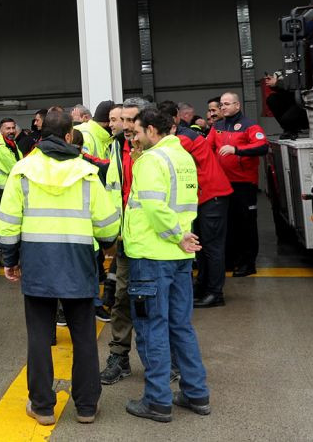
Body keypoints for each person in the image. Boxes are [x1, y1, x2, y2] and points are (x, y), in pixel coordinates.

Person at [0, 108, 121, 426]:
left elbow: (7, 223)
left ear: (41, 134)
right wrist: (106, 244)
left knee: (39, 336)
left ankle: (42, 407)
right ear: (69, 135)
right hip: (78, 263)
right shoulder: (87, 172)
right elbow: (108, 227)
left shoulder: (22, 170)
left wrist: (10, 261)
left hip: (37, 262)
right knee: (84, 336)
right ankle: (86, 406)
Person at [124, 108, 211, 422]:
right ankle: (196, 393)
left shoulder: (151, 161)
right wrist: (181, 238)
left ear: (151, 130)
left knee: (152, 328)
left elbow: (154, 207)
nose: (134, 138)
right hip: (179, 258)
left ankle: (157, 400)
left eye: (137, 132)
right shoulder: (183, 157)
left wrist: (176, 235)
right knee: (181, 326)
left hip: (152, 256)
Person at [100, 96, 150, 386]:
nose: (126, 125)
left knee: (155, 302)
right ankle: (119, 357)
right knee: (121, 299)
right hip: (126, 239)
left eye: (132, 120)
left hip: (155, 242)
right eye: (124, 120)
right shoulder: (117, 147)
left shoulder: (159, 148)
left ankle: (161, 360)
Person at [161, 101, 231, 308]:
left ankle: (215, 293)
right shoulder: (185, 135)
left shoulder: (182, 139)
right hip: (205, 196)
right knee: (201, 245)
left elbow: (164, 156)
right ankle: (203, 286)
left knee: (212, 247)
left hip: (212, 194)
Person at [210, 91, 268, 277]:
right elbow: (207, 147)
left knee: (246, 224)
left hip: (244, 183)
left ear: (237, 105)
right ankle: (230, 260)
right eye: (221, 104)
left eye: (227, 104)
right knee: (228, 223)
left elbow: (262, 146)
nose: (223, 107)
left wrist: (236, 149)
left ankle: (248, 263)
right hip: (223, 183)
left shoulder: (250, 126)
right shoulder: (217, 126)